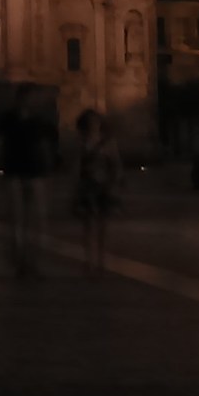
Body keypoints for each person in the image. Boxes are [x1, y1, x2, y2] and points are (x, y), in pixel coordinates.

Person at [0, 86, 57, 277]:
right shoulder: (8, 119)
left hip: (34, 171)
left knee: (36, 219)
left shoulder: (40, 120)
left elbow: (47, 145)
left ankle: (32, 261)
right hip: (15, 171)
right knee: (17, 219)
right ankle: (20, 259)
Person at [72, 109, 122, 276]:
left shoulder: (108, 142)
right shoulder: (82, 142)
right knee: (89, 225)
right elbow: (77, 166)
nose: (94, 124)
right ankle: (89, 260)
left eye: (96, 121)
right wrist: (75, 187)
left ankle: (101, 259)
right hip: (88, 186)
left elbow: (115, 164)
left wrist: (115, 183)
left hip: (104, 186)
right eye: (91, 122)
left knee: (102, 225)